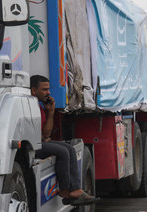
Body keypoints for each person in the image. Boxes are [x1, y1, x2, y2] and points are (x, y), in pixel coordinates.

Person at [30, 75, 99, 205]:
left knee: (70, 149)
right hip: (32, 146)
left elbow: (46, 134)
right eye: (44, 89)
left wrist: (50, 112)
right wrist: (43, 137)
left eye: (48, 89)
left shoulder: (39, 106)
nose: (48, 92)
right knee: (62, 152)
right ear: (34, 91)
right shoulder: (29, 106)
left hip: (40, 142)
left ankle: (76, 190)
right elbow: (43, 136)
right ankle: (64, 190)